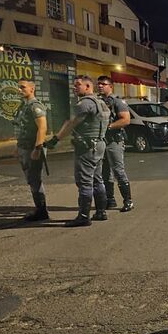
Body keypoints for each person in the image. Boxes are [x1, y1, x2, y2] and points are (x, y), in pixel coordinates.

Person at [55, 75, 110, 227]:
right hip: (99, 144)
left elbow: (72, 123)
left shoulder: (85, 103)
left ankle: (84, 216)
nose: (75, 88)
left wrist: (56, 139)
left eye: (78, 85)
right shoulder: (101, 102)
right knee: (97, 179)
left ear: (87, 86)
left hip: (87, 147)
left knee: (85, 181)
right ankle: (101, 212)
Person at [13, 79, 49, 221]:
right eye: (19, 87)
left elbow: (42, 128)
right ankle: (39, 209)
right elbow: (22, 129)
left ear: (32, 89)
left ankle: (42, 211)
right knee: (31, 179)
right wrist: (18, 147)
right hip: (24, 147)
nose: (19, 90)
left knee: (35, 180)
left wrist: (37, 148)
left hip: (32, 148)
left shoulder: (35, 106)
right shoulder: (24, 106)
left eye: (23, 87)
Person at [97, 76, 133, 212]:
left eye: (103, 84)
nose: (100, 86)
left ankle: (128, 201)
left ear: (110, 86)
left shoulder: (117, 102)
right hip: (102, 141)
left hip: (114, 140)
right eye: (99, 84)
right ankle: (110, 199)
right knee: (104, 172)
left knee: (118, 171)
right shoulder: (98, 101)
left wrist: (109, 127)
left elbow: (126, 120)